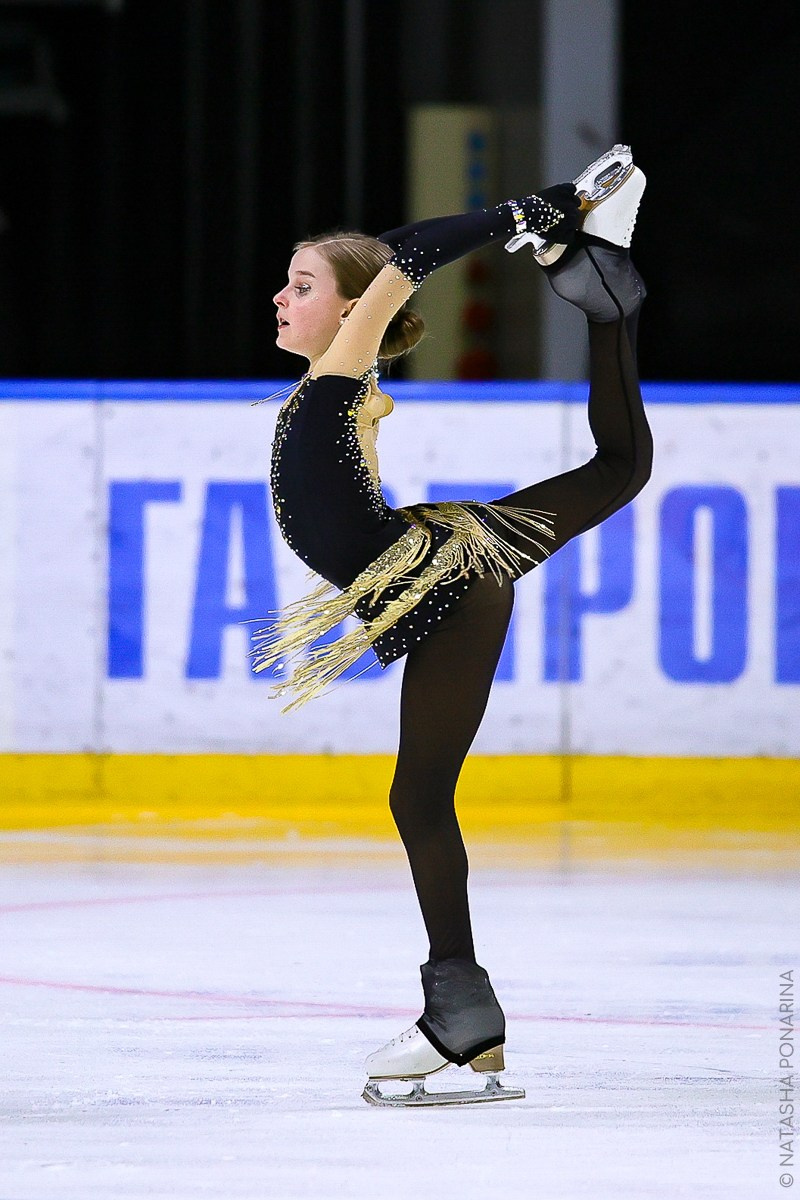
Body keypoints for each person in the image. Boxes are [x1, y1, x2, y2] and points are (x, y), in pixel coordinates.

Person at [254, 146, 652, 1107]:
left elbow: (405, 258)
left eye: (302, 284)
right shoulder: (334, 380)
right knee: (617, 469)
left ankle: (460, 1011)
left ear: (353, 315)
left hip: (445, 576)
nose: (280, 295)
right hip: (438, 571)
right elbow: (386, 257)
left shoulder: (342, 372)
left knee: (419, 800)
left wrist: (549, 203)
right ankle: (610, 302)